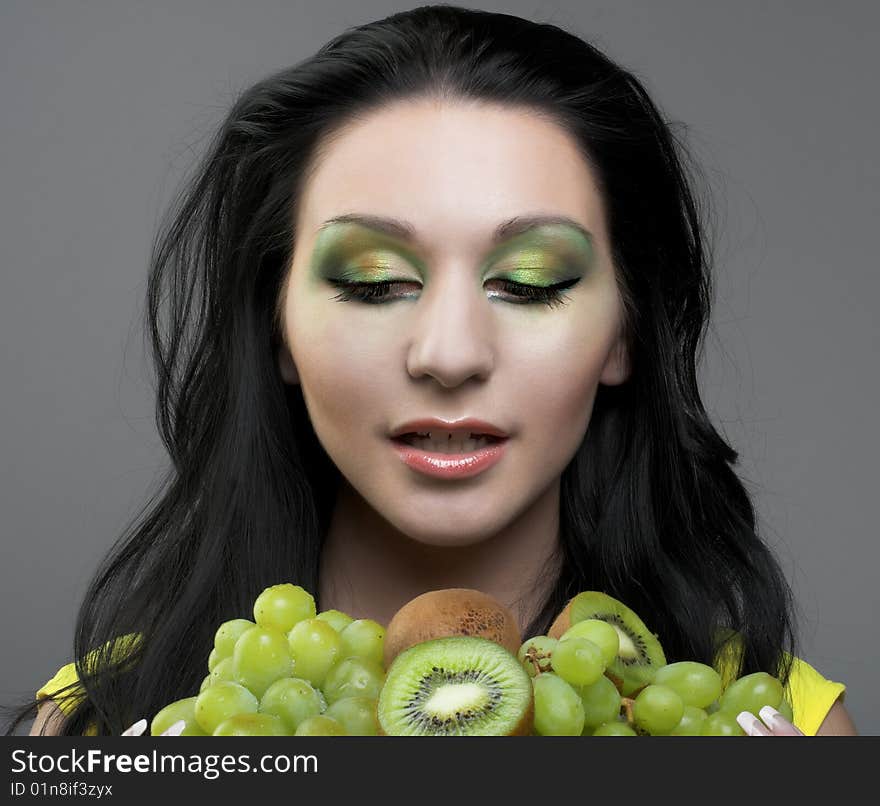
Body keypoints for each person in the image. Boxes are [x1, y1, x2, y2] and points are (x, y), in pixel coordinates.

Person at [6, 4, 857, 738]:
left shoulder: (776, 727)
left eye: (530, 284)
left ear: (624, 333)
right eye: (374, 284)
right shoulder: (109, 720)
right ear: (276, 327)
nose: (449, 355)